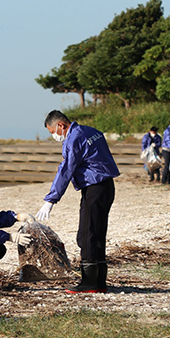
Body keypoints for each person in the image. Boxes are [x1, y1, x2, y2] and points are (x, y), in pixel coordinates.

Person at [36, 110, 120, 293]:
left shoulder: (73, 138)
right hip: (107, 186)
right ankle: (100, 281)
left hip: (95, 188)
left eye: (52, 132)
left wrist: (51, 200)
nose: (54, 136)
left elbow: (66, 169)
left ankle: (89, 282)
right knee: (97, 232)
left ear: (60, 125)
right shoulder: (91, 131)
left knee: (87, 234)